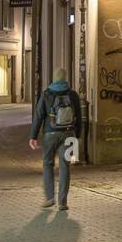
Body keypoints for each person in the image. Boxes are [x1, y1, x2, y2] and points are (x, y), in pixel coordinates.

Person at [30, 68, 82, 211]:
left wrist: (33, 136)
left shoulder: (46, 94)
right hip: (69, 133)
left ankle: (49, 198)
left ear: (53, 78)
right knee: (65, 166)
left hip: (50, 134)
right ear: (65, 79)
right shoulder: (73, 95)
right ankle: (63, 202)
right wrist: (78, 136)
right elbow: (79, 117)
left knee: (48, 164)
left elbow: (39, 116)